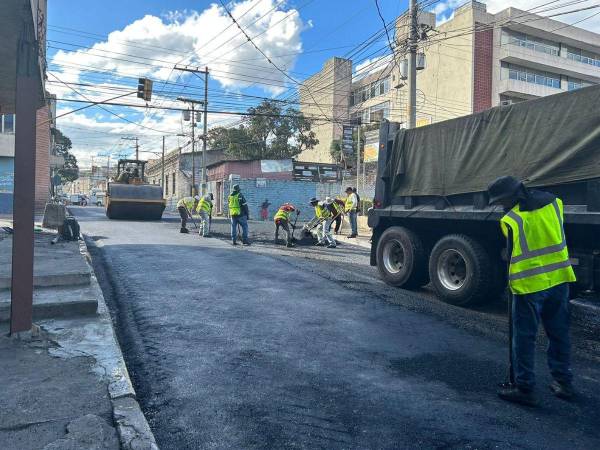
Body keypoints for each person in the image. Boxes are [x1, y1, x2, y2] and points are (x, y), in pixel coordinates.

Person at [488, 176, 577, 407]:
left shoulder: (511, 220)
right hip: (559, 278)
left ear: (510, 197)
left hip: (529, 285)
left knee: (524, 338)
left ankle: (524, 387)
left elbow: (512, 251)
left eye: (500, 201)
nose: (500, 205)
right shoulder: (555, 203)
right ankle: (564, 383)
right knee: (559, 333)